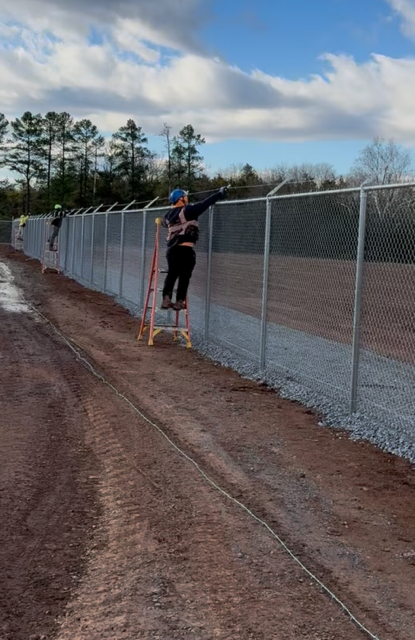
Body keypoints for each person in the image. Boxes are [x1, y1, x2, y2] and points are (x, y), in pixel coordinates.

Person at [161, 186, 228, 311]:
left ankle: (166, 298)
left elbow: (164, 223)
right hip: (186, 251)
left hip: (172, 251)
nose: (187, 199)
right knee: (184, 277)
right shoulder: (187, 211)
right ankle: (179, 301)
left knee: (172, 274)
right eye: (185, 197)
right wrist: (219, 194)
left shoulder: (169, 214)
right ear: (180, 199)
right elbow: (204, 204)